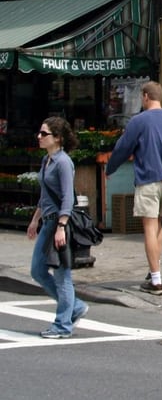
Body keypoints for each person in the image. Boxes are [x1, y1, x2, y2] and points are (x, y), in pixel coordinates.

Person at [106, 81, 162, 296]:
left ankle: (156, 279)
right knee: (158, 224)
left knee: (150, 227)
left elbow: (123, 148)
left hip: (149, 179)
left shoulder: (139, 121)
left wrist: (110, 168)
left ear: (145, 96)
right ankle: (154, 270)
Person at [26, 117, 90, 339]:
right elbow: (46, 195)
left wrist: (61, 226)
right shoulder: (47, 160)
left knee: (62, 275)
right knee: (37, 270)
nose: (39, 137)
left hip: (59, 223)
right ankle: (75, 307)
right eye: (40, 133)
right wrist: (35, 219)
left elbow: (67, 198)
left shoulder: (63, 162)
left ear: (58, 138)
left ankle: (63, 325)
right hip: (47, 222)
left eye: (44, 134)